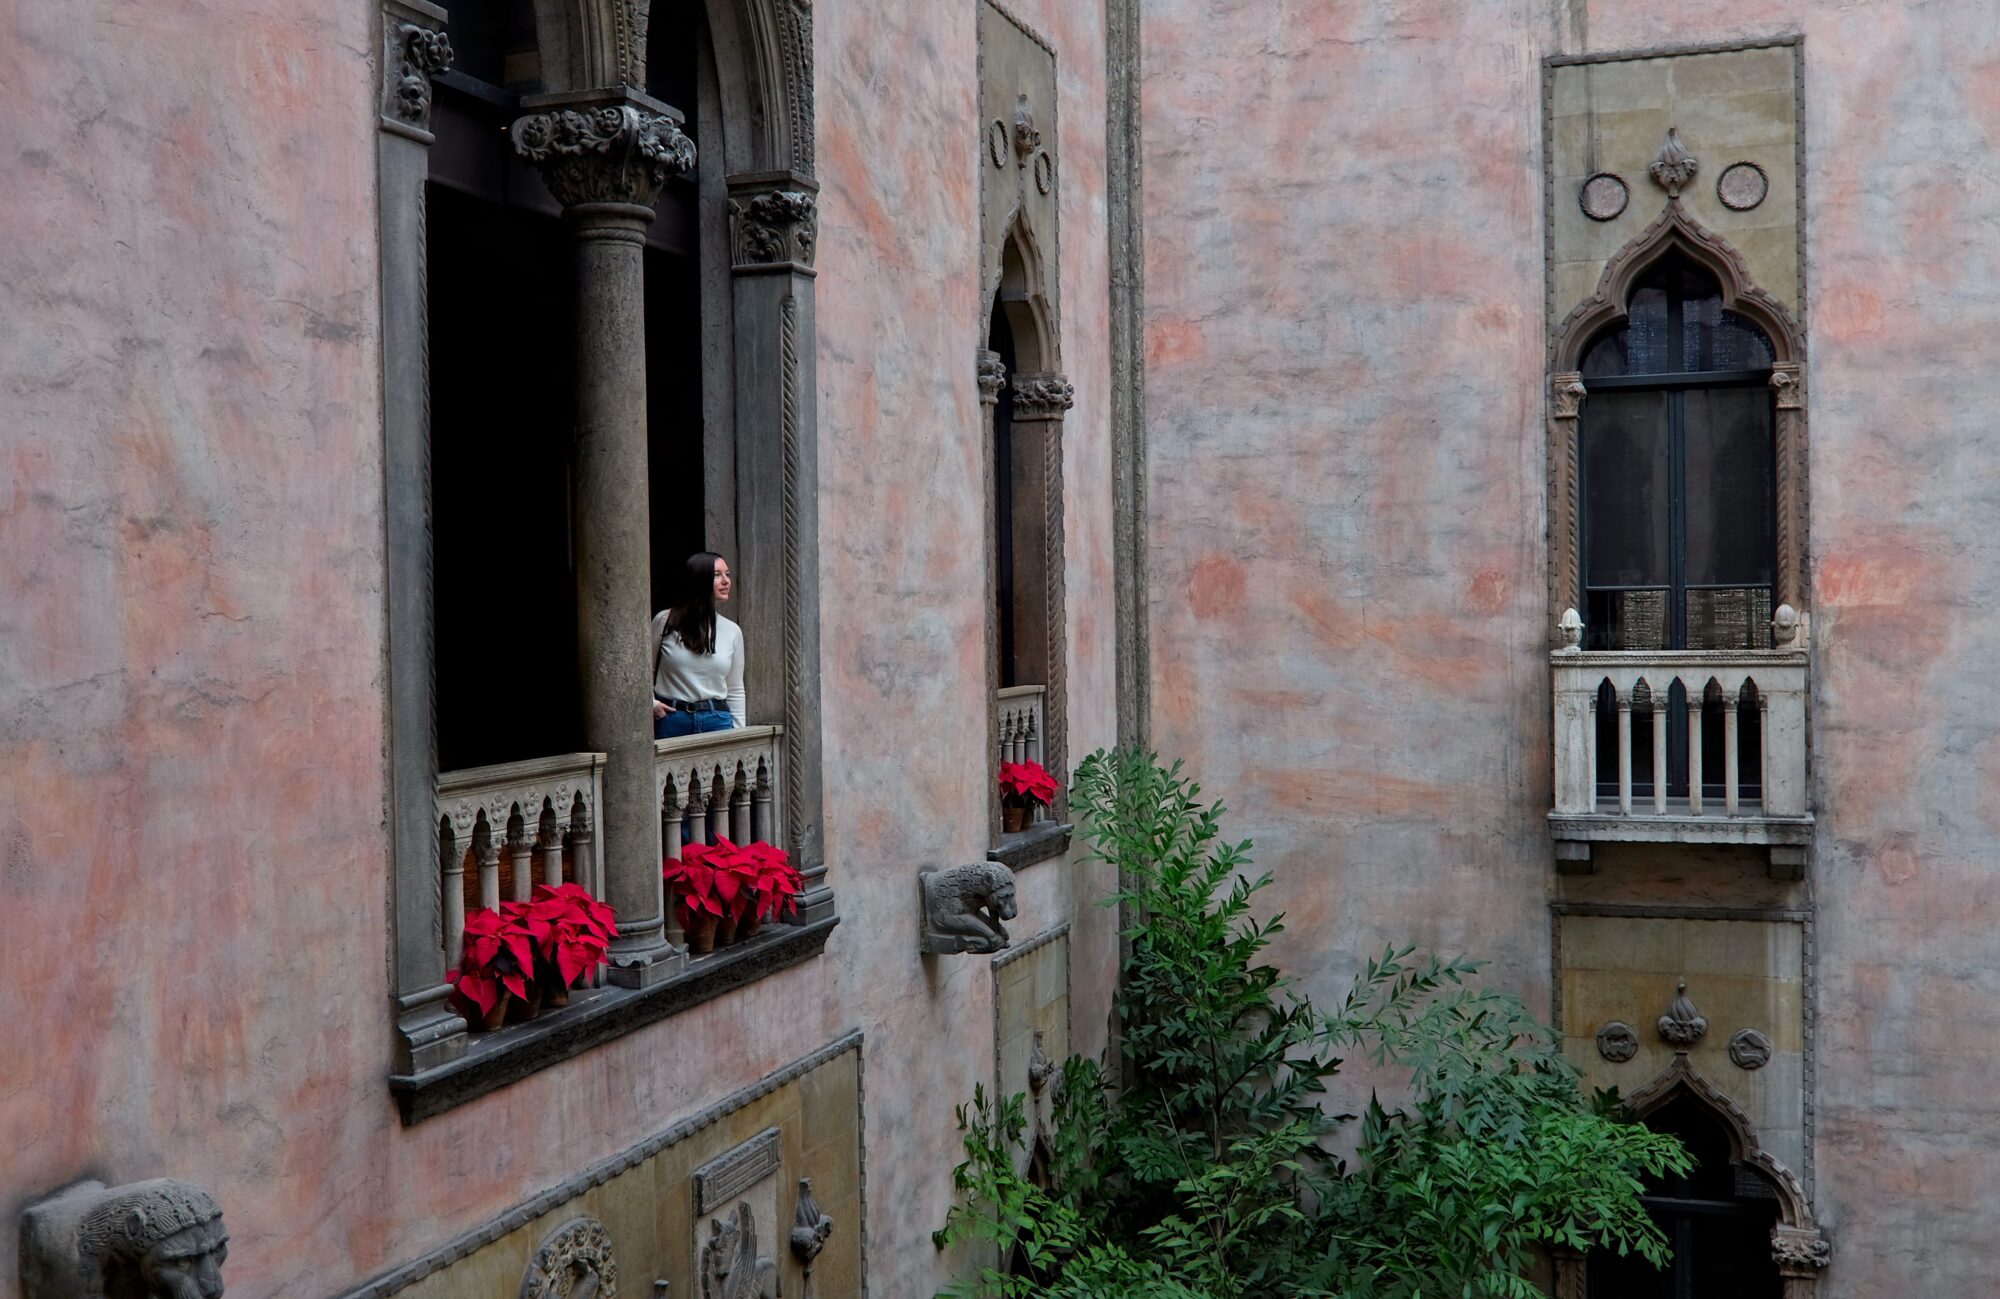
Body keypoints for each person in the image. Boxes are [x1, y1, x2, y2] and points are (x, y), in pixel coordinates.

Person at [650, 552, 746, 740]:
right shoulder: (664, 621)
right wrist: (651, 703)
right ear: (698, 579)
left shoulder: (732, 631)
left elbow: (735, 689)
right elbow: (645, 671)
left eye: (727, 574)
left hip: (717, 720)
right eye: (717, 575)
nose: (726, 581)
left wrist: (740, 736)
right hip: (672, 718)